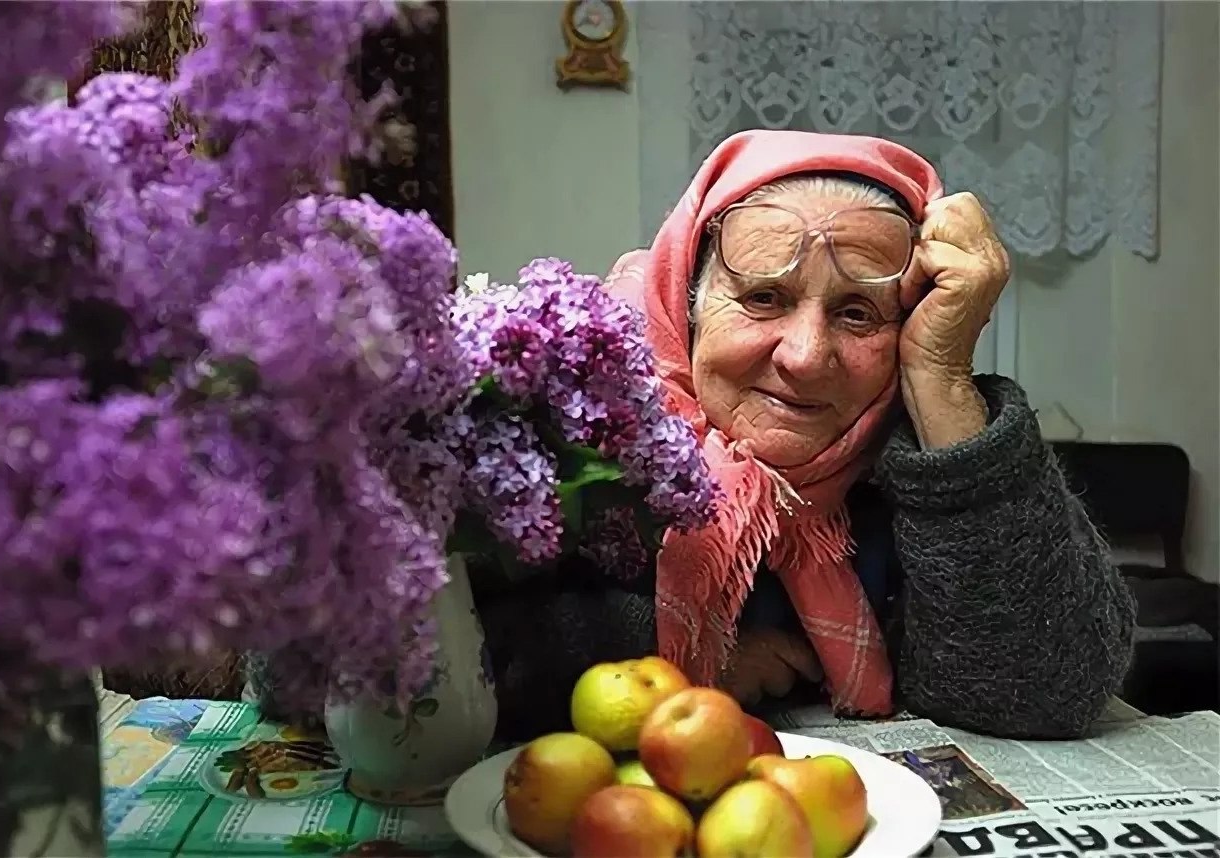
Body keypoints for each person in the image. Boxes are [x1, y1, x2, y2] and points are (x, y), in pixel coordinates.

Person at [479, 130, 1135, 741]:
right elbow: (453, 663)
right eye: (764, 297)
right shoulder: (580, 431)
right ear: (686, 305)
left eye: (858, 313)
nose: (805, 355)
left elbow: (1043, 691)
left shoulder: (919, 449)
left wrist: (942, 377)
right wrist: (680, 658)